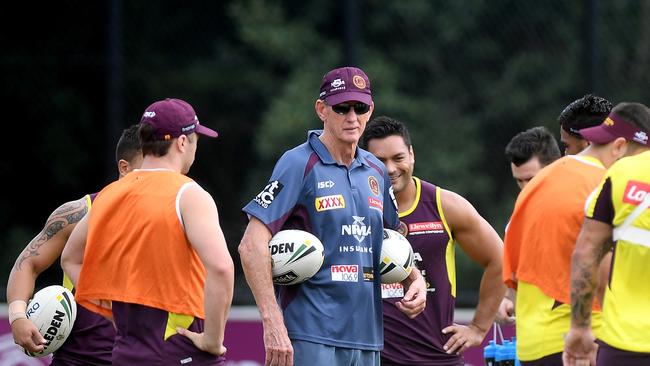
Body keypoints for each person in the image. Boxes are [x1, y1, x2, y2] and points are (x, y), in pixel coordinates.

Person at [238, 67, 427, 366]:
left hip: (367, 338)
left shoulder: (376, 169)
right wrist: (273, 322)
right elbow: (251, 245)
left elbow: (391, 239)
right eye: (342, 108)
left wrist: (413, 276)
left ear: (370, 110)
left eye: (360, 107)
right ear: (322, 110)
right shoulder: (298, 162)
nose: (352, 117)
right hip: (310, 334)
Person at [60, 98, 234, 365]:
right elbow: (221, 268)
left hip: (125, 353)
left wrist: (108, 310)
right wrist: (213, 338)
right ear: (182, 142)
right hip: (180, 349)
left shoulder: (110, 194)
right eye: (196, 139)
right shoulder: (188, 194)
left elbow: (70, 257)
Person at [502, 100, 646, 366]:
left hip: (534, 342)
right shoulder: (606, 184)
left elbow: (513, 268)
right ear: (620, 147)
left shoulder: (541, 180)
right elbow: (600, 266)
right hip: (583, 341)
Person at [359, 116, 505, 365]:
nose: (391, 169)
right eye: (380, 161)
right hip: (372, 358)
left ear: (412, 155)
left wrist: (479, 328)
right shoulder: (354, 208)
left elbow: (501, 259)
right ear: (365, 162)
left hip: (438, 357)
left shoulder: (444, 205)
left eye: (398, 158)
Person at [6, 124, 143, 365]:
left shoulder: (175, 218)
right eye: (150, 168)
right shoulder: (79, 213)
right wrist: (18, 316)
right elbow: (28, 263)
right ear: (125, 167)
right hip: (80, 358)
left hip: (144, 357)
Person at [563, 103, 650, 366]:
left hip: (627, 343)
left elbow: (587, 253)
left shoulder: (620, 175)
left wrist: (579, 327)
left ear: (620, 146)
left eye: (603, 145)